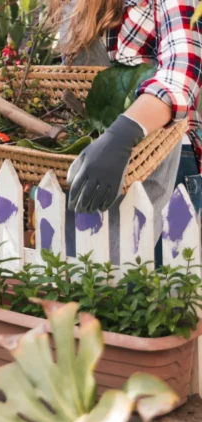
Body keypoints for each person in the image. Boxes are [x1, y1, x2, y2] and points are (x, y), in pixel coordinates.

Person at [54, 0, 201, 263]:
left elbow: (183, 70)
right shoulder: (76, 6)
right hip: (95, 163)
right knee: (88, 279)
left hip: (162, 161)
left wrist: (122, 134)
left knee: (149, 284)